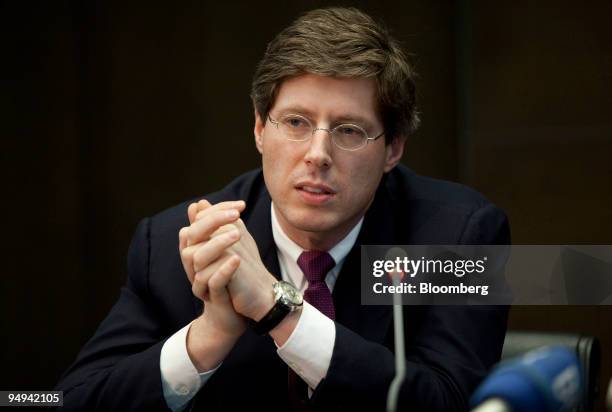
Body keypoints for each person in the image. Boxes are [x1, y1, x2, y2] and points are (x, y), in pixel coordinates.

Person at [57, 7, 510, 412]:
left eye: (350, 131)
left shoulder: (457, 237)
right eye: (296, 122)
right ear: (259, 129)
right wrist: (209, 337)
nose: (317, 153)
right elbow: (70, 400)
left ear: (393, 149)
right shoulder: (184, 242)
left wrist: (280, 311)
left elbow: (447, 401)